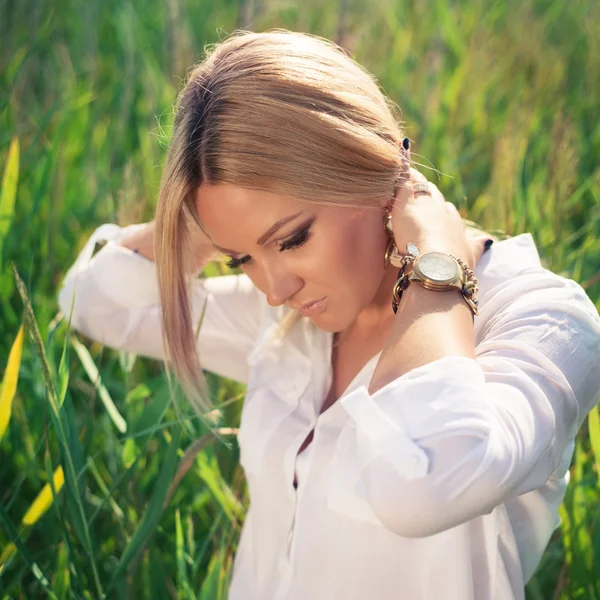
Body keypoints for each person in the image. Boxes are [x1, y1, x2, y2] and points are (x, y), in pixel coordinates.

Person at [57, 30, 600, 600]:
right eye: (244, 259)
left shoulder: (544, 323)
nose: (275, 289)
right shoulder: (293, 326)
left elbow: (424, 484)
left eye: (292, 239)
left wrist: (435, 265)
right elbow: (92, 303)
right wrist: (207, 223)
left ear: (375, 168)